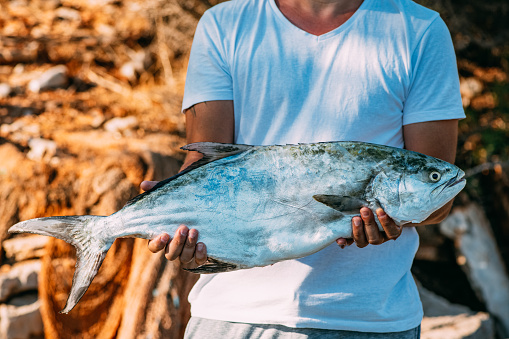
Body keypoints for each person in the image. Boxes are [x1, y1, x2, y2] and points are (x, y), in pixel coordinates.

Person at [141, 0, 465, 337]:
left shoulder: (419, 30)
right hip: (231, 314)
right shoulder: (224, 25)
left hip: (368, 320)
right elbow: (206, 161)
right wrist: (181, 229)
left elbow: (438, 198)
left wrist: (390, 217)